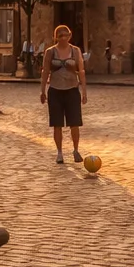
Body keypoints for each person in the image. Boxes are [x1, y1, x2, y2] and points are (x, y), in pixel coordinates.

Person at [40, 25, 86, 163]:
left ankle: (76, 150)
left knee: (74, 123)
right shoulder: (50, 52)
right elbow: (45, 71)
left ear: (70, 36)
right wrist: (42, 91)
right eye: (60, 35)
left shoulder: (76, 51)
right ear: (56, 37)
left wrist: (84, 92)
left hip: (72, 90)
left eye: (66, 35)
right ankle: (59, 152)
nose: (63, 38)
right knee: (57, 124)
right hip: (55, 90)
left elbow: (81, 71)